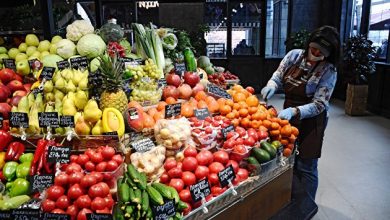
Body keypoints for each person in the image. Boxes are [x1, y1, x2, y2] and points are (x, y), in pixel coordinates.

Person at [261, 26, 340, 201]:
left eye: (321, 52)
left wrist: (294, 111)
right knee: (289, 157)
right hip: (289, 115)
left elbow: (320, 104)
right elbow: (278, 75)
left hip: (313, 121)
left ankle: (307, 204)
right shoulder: (294, 56)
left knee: (307, 164)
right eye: (314, 48)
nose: (316, 53)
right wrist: (271, 86)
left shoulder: (328, 71)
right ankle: (291, 199)